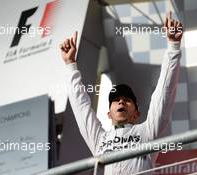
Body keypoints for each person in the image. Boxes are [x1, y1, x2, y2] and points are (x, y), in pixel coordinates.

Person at [59, 11, 183, 174]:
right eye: (116, 100)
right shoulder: (99, 139)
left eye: (127, 100)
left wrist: (173, 47)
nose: (121, 102)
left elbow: (163, 94)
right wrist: (70, 65)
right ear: (109, 114)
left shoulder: (146, 131)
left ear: (136, 114)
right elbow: (81, 108)